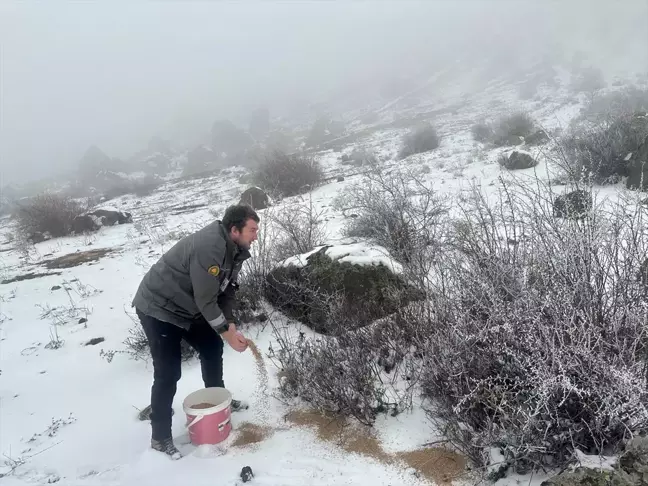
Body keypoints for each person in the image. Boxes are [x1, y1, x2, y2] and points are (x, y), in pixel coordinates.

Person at [132, 204, 259, 459]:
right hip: (159, 308)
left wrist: (230, 325)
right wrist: (226, 332)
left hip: (188, 306)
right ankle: (160, 438)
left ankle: (217, 399)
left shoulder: (235, 250)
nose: (256, 235)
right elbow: (206, 300)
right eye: (252, 230)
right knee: (168, 372)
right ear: (235, 230)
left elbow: (226, 291)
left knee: (212, 348)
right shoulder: (209, 247)